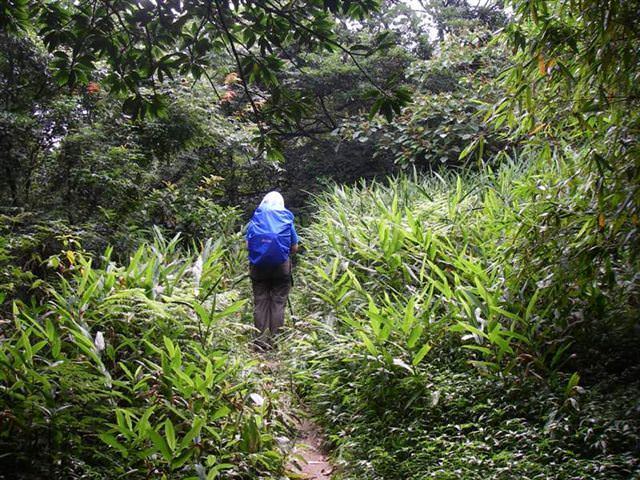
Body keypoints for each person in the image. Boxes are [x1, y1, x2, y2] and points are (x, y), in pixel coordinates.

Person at [246, 191, 299, 349]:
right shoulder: (285, 219)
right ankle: (275, 342)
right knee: (278, 302)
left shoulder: (256, 219)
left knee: (260, 301)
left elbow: (248, 245)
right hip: (281, 268)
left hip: (258, 267)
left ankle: (260, 343)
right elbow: (294, 247)